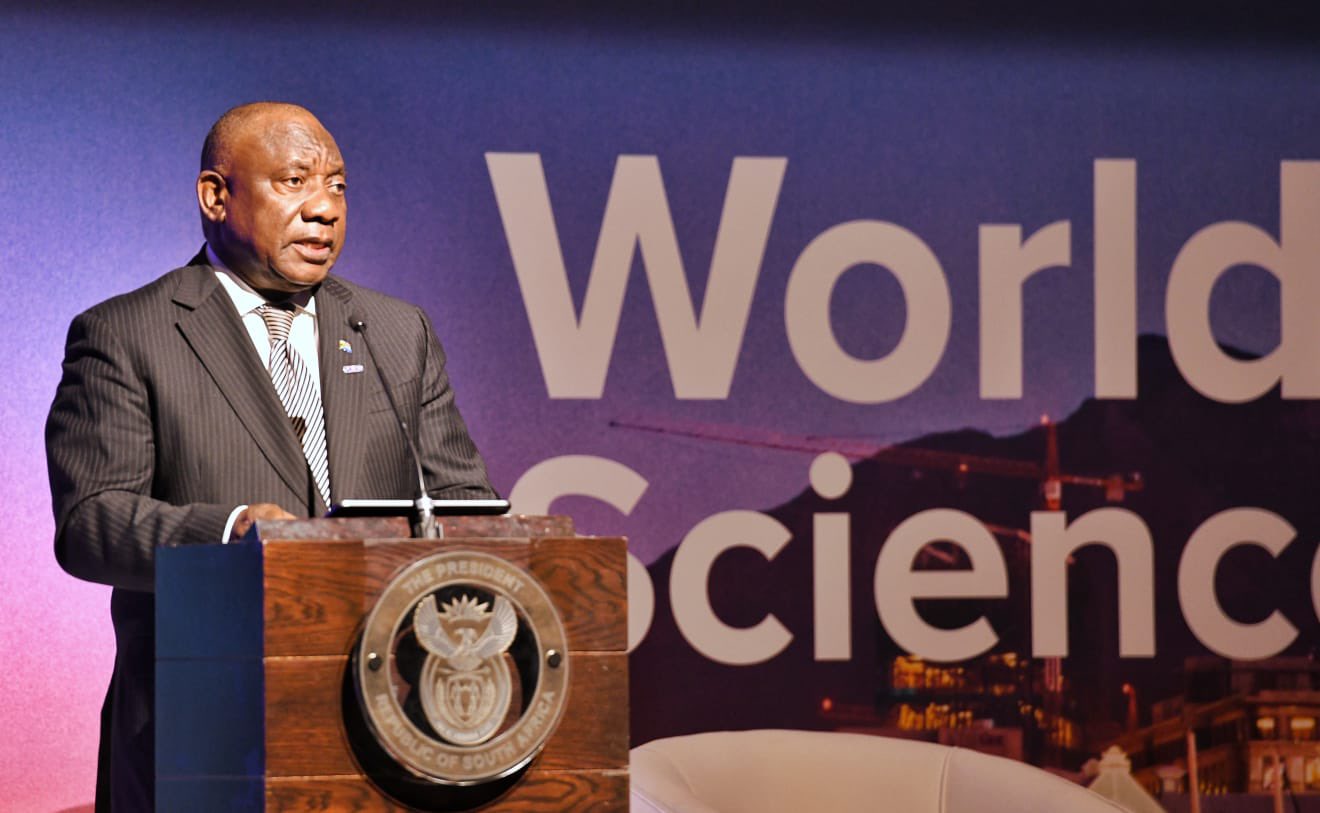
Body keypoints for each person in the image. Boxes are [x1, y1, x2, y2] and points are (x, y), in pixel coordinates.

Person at [45, 102, 495, 812]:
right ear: (216, 196)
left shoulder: (394, 331)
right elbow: (91, 522)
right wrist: (228, 535)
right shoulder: (127, 333)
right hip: (201, 731)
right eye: (294, 180)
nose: (324, 209)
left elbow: (465, 506)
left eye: (339, 186)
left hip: (385, 732)